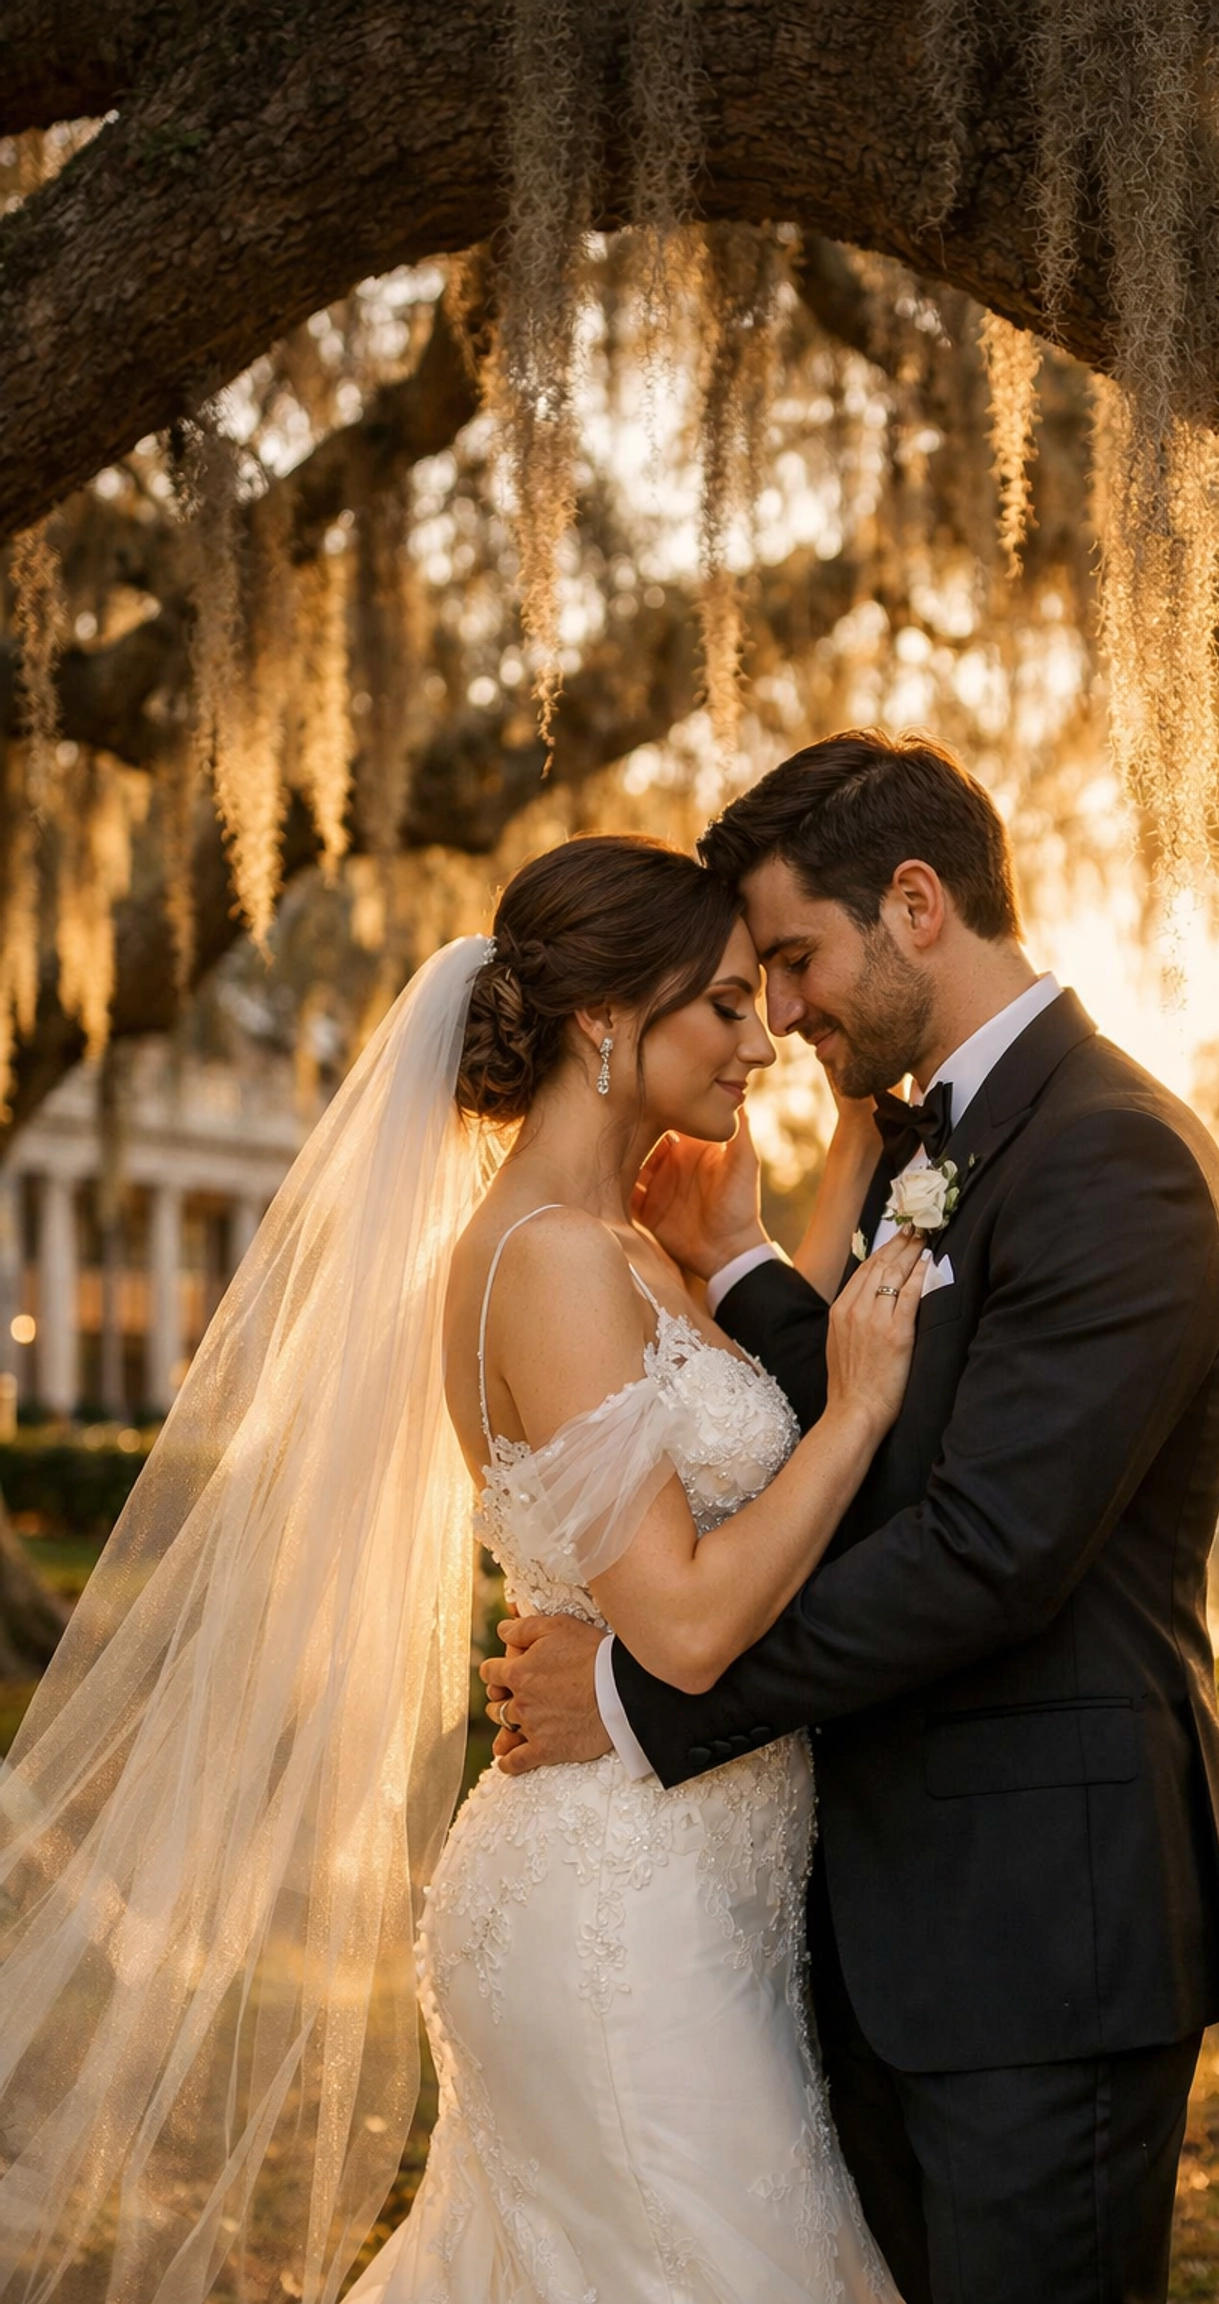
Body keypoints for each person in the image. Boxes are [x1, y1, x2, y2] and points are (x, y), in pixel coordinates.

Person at [0, 833, 920, 2304]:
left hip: (700, 1880)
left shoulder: (625, 1243)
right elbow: (681, 1622)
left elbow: (747, 1458)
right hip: (620, 1904)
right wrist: (868, 1405)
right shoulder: (548, 1259)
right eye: (728, 1006)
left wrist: (772, 1230)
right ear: (609, 1023)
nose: (764, 1041)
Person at [485, 731, 1219, 2304]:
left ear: (917, 903)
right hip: (874, 1936)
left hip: (1047, 1939)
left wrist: (644, 1704)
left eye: (791, 958)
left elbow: (983, 1553)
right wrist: (751, 1277)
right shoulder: (960, 1139)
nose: (780, 1015)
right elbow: (888, 1434)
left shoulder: (1112, 1158)